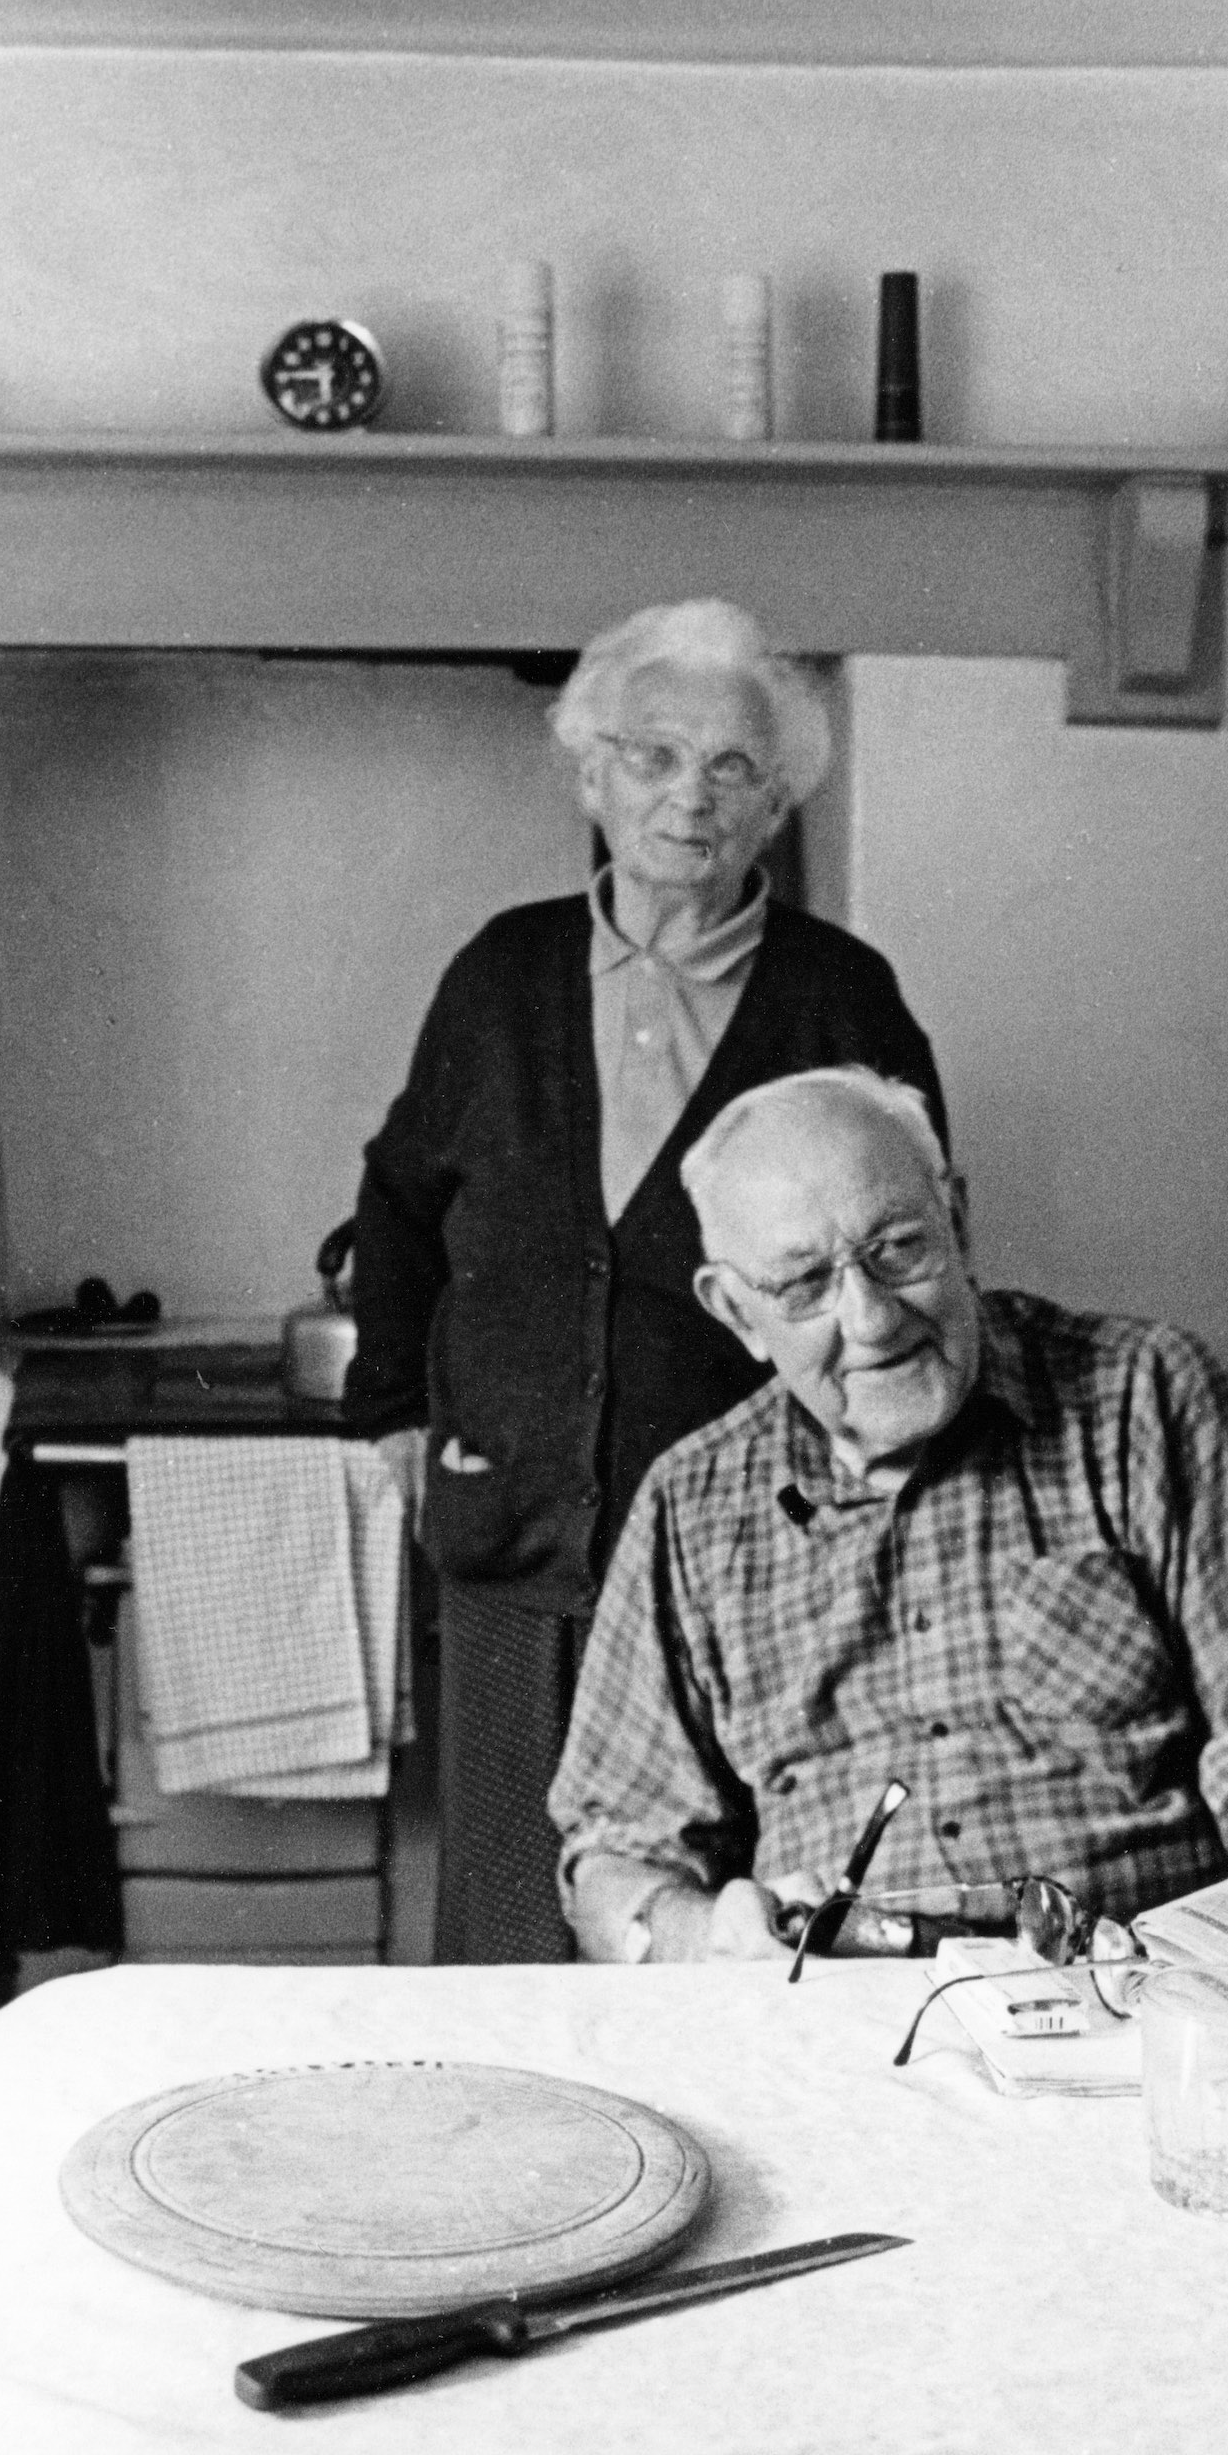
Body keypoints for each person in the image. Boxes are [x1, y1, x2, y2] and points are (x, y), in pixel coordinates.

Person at [345, 598, 947, 1964]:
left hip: (758, 1563)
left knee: (725, 1937)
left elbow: (915, 1272)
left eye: (734, 767)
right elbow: (392, 1204)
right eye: (653, 756)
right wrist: (391, 1417)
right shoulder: (500, 975)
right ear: (588, 774)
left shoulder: (840, 997)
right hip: (518, 1550)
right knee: (511, 1930)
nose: (690, 797)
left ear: (780, 800)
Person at [548, 1067, 1228, 1963]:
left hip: (1134, 1994)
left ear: (959, 1222)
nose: (869, 1320)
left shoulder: (1143, 1395)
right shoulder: (691, 1505)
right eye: (804, 1286)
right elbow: (613, 1859)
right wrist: (704, 1933)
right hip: (842, 2025)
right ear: (736, 1313)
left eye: (898, 1249)